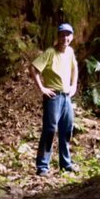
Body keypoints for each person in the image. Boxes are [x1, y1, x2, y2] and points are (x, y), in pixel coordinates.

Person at [29, 23, 79, 176]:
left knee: (67, 129)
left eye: (68, 35)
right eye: (62, 35)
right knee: (50, 129)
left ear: (71, 37)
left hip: (66, 97)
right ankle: (43, 166)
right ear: (58, 36)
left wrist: (74, 85)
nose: (65, 38)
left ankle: (66, 163)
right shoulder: (50, 52)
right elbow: (34, 68)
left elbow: (74, 68)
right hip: (53, 96)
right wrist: (42, 88)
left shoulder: (70, 52)